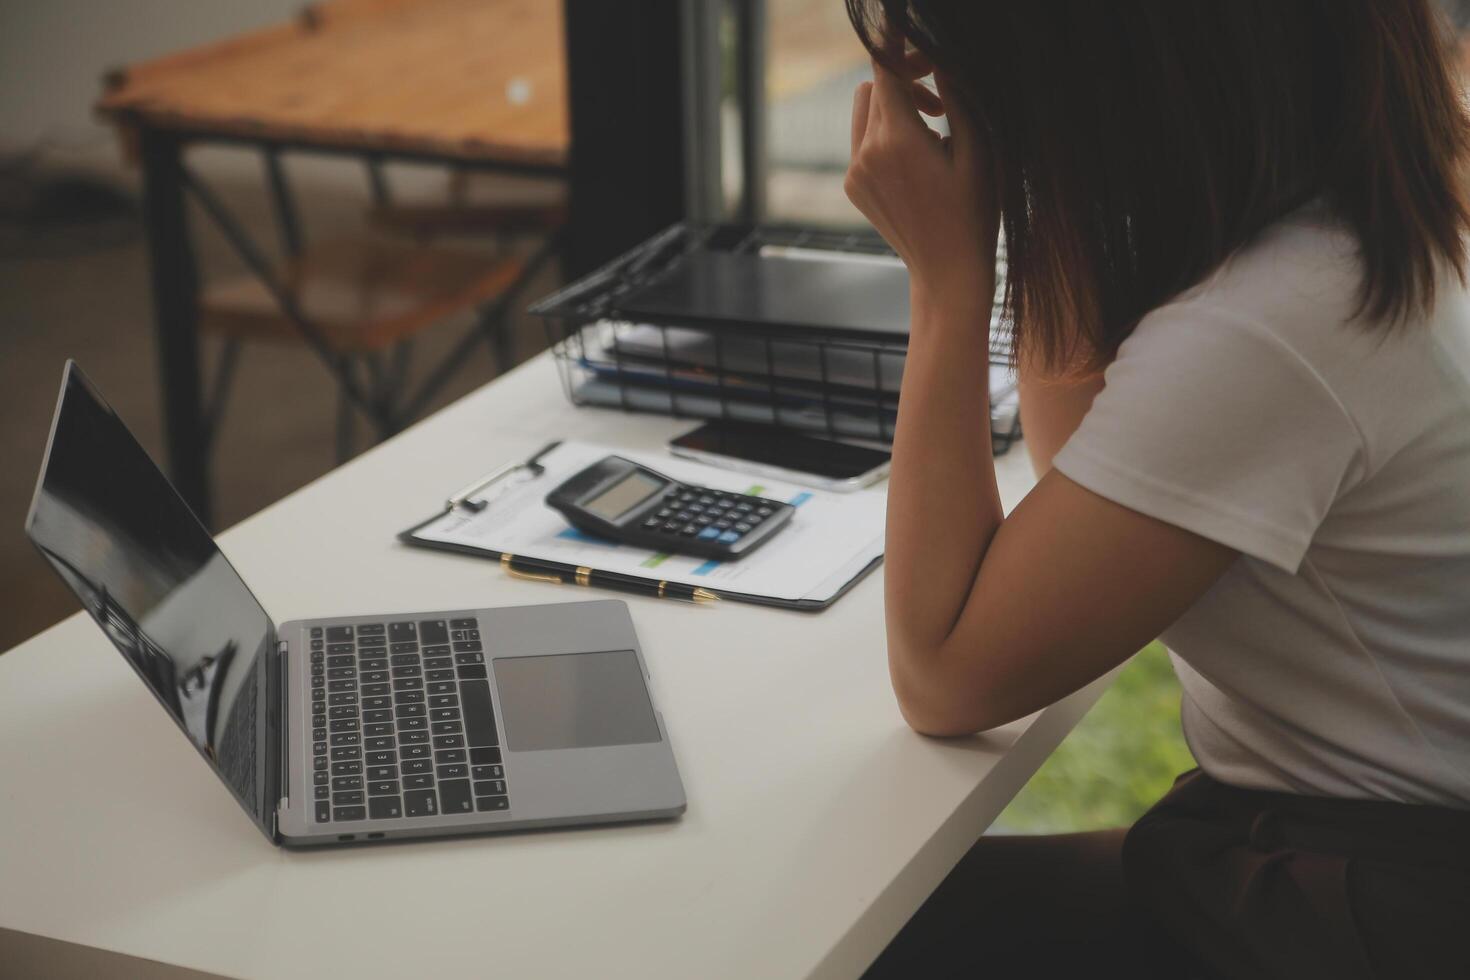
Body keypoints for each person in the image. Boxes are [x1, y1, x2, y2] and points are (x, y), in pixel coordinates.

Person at [840, 1, 1470, 977]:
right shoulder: (1350, 225)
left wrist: (947, 284)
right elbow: (1081, 455)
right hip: (1351, 860)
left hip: (1375, 907)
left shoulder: (1285, 314)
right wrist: (1037, 181)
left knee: (847, 933)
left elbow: (947, 672)